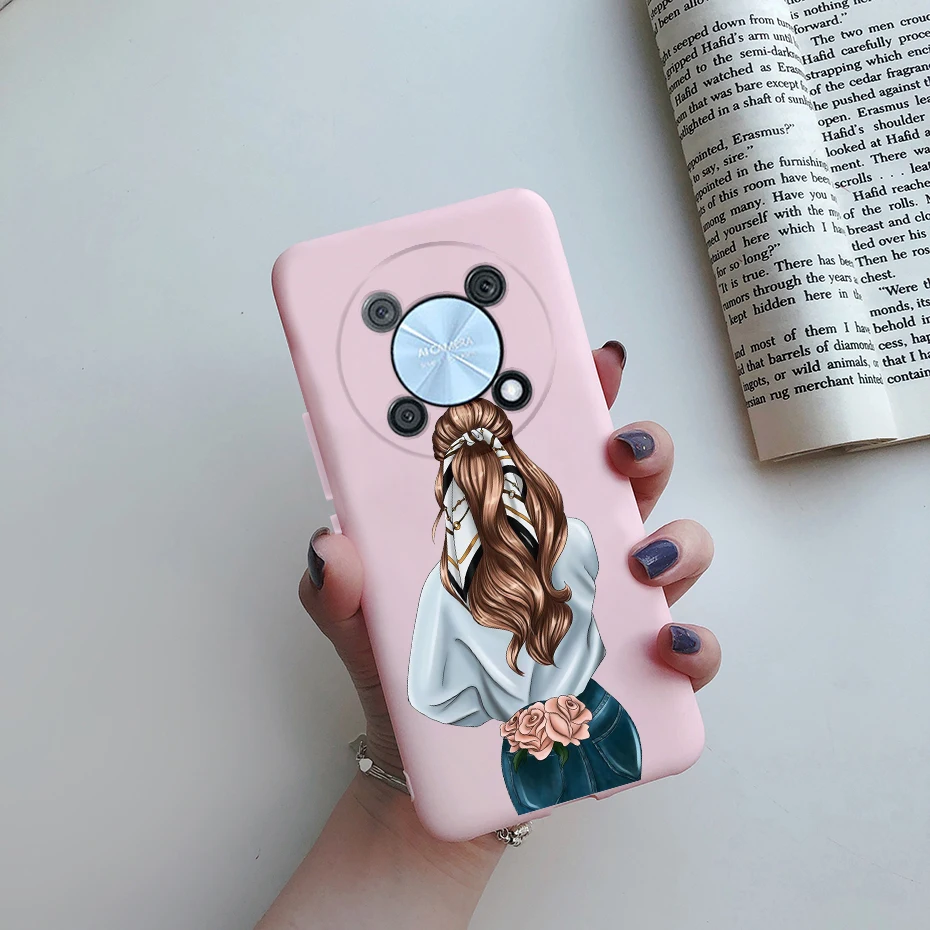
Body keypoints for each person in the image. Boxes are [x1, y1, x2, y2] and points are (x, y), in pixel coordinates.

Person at [255, 342, 720, 930]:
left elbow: (432, 696)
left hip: (535, 741)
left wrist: (494, 706)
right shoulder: (569, 539)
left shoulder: (450, 586)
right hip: (596, 715)